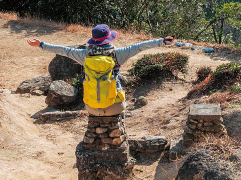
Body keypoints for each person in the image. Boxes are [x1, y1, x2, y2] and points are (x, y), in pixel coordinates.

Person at [27, 24, 174, 115]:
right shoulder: (118, 54)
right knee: (120, 110)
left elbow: (63, 50)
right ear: (109, 39)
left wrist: (41, 45)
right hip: (114, 105)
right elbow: (140, 46)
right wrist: (162, 41)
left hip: (91, 106)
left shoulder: (84, 55)